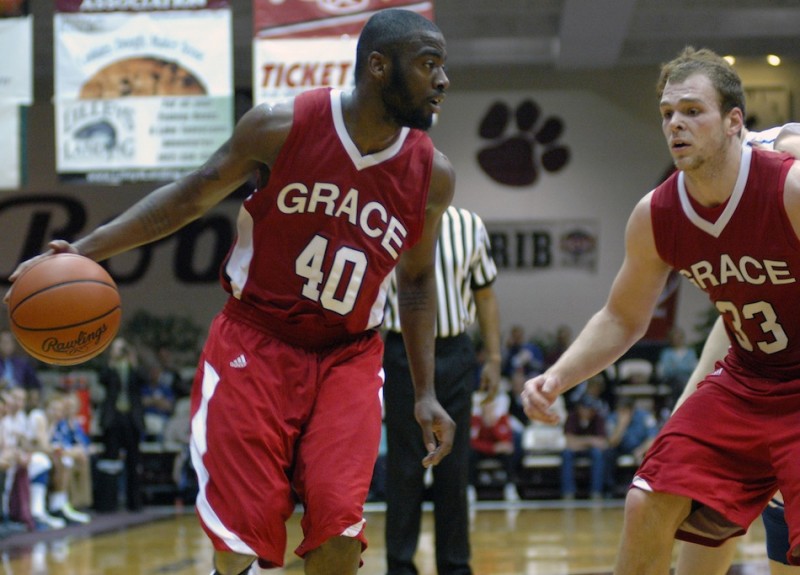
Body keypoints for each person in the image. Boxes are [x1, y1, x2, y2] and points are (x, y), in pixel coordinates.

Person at [5, 9, 455, 574]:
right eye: (428, 65)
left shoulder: (433, 175)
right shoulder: (280, 125)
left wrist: (425, 392)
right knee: (238, 543)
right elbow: (188, 196)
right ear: (378, 66)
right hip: (257, 341)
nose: (442, 80)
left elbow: (414, 284)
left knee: (339, 535)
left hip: (350, 354)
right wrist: (85, 250)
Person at [521, 46, 800, 573]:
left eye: (693, 111)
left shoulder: (788, 187)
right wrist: (557, 377)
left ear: (734, 122)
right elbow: (623, 318)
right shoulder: (658, 213)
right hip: (748, 376)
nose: (676, 124)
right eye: (668, 114)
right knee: (648, 499)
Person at [673, 121, 800, 575]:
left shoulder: (782, 170)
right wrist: (686, 407)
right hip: (758, 387)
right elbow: (735, 318)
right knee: (701, 518)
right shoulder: (717, 185)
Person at [382, 205, 501, 575]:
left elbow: (484, 295)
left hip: (454, 352)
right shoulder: (383, 219)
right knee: (405, 467)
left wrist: (494, 357)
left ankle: (455, 566)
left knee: (455, 467)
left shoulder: (469, 224)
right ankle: (400, 565)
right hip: (402, 351)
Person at [97, 337, 146, 512]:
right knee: (110, 460)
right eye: (118, 348)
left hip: (131, 418)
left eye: (123, 348)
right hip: (113, 417)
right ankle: (108, 504)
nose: (121, 351)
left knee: (133, 461)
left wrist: (133, 360)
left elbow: (143, 379)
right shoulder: (110, 367)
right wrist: (112, 359)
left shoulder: (132, 366)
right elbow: (101, 379)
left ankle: (135, 503)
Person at [602, 396, 658, 497]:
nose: (621, 413)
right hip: (620, 448)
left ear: (632, 410)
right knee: (607, 453)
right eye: (619, 411)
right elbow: (611, 442)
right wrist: (621, 425)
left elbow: (653, 438)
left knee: (652, 453)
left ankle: (646, 487)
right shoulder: (613, 418)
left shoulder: (645, 417)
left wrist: (641, 450)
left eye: (624, 411)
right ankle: (609, 489)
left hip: (640, 448)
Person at [469, 392, 517, 503]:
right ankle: (469, 487)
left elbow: (507, 441)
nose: (488, 409)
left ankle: (510, 487)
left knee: (509, 453)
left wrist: (493, 425)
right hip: (482, 451)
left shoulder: (502, 419)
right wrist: (492, 448)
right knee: (470, 454)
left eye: (491, 407)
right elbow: (472, 442)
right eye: (486, 407)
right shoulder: (475, 420)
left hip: (498, 452)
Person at [560, 394, 607, 500]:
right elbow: (569, 443)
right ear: (579, 408)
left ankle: (596, 491)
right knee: (566, 453)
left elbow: (602, 443)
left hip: (591, 450)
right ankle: (568, 492)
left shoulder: (598, 418)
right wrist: (590, 440)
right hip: (576, 450)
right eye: (585, 408)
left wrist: (579, 442)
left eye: (590, 408)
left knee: (598, 454)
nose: (587, 411)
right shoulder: (572, 417)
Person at [655, 326, 698, 405]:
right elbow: (667, 369)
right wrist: (683, 368)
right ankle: (683, 403)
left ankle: (676, 404)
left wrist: (677, 367)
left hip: (686, 378)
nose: (677, 340)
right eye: (675, 338)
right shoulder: (666, 353)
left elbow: (692, 368)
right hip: (670, 379)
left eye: (679, 337)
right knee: (680, 380)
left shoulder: (690, 353)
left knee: (682, 380)